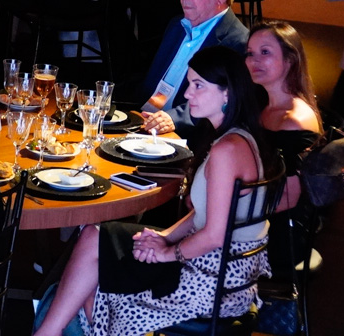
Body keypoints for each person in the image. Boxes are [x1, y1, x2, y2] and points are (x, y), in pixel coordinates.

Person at [34, 44, 279, 336]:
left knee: (96, 275)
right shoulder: (239, 138)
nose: (187, 94)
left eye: (198, 85)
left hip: (212, 282)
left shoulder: (228, 150)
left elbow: (214, 235)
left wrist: (168, 252)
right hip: (223, 268)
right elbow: (205, 215)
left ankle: (48, 331)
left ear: (227, 93)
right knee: (94, 237)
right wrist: (164, 236)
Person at [245, 21, 323, 214]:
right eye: (250, 53)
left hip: (275, 222)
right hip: (253, 208)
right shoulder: (261, 103)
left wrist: (226, 213)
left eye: (265, 52)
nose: (254, 61)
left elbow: (288, 199)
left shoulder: (294, 121)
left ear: (290, 59)